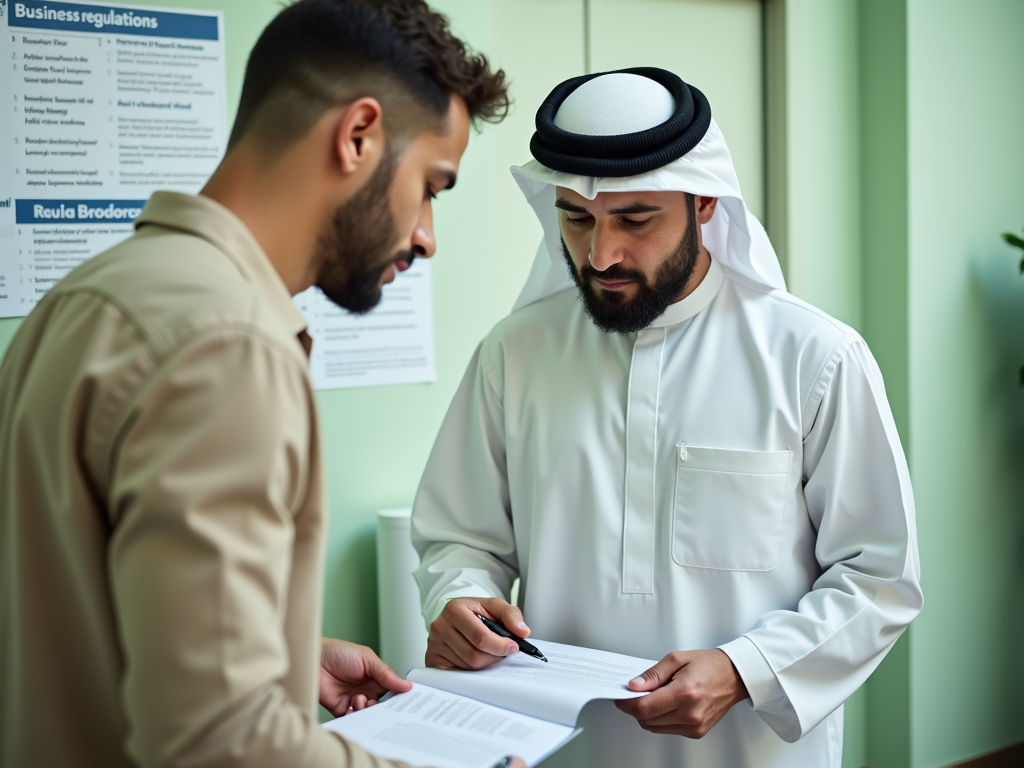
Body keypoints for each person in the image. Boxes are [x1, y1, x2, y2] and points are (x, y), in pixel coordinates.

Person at [0, 1, 524, 767]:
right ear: (357, 136)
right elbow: (218, 744)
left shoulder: (89, 298)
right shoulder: (228, 342)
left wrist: (280, 654)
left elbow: (68, 606)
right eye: (431, 186)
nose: (427, 238)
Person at [411, 68, 924, 767]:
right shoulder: (515, 353)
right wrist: (463, 598)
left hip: (748, 751)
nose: (601, 256)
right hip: (560, 749)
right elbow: (460, 538)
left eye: (636, 219)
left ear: (706, 202)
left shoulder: (815, 358)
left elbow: (879, 576)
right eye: (576, 217)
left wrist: (747, 669)